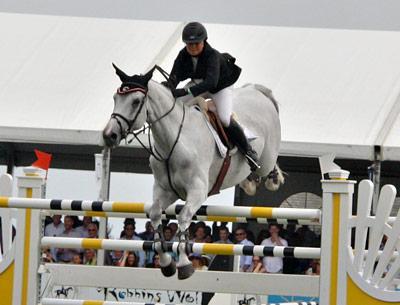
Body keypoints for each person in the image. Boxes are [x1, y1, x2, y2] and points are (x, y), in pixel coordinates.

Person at [163, 21, 260, 172]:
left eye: (196, 43)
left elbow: (211, 83)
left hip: (220, 86)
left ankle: (249, 151)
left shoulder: (212, 55)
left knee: (224, 119)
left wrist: (184, 92)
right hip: (198, 83)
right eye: (189, 44)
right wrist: (168, 86)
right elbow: (175, 77)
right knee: (176, 106)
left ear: (204, 41)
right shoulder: (183, 55)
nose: (193, 47)